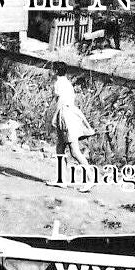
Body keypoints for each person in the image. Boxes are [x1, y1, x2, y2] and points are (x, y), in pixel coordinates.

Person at [50, 63, 95, 191]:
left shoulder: (59, 83)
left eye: (52, 69)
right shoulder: (67, 83)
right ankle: (61, 179)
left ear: (56, 71)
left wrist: (53, 118)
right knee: (60, 147)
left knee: (74, 151)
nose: (51, 71)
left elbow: (60, 103)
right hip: (68, 114)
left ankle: (90, 178)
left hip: (65, 116)